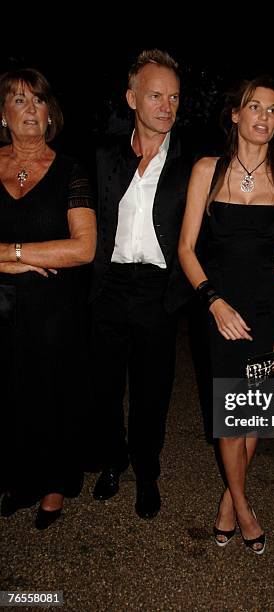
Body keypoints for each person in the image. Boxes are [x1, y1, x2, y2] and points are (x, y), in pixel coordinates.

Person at [90, 50, 274, 520]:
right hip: (107, 287)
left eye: (175, 97)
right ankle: (112, 462)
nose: (166, 106)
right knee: (103, 389)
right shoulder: (102, 155)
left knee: (153, 392)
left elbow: (233, 224)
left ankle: (147, 473)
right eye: (155, 95)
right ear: (132, 98)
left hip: (163, 291)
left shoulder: (195, 165)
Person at [178, 76, 274, 554]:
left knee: (255, 413)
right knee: (230, 418)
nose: (263, 117)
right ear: (235, 114)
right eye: (254, 107)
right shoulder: (206, 171)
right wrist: (212, 301)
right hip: (221, 312)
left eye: (273, 110)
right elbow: (186, 249)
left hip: (271, 311)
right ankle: (244, 506)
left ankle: (227, 505)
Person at [0, 68, 96, 529]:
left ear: (50, 112)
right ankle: (19, 478)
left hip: (54, 311)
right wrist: (9, 264)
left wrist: (11, 252)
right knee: (10, 395)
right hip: (2, 308)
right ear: (3, 114)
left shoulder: (71, 169)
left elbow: (83, 247)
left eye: (37, 101)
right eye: (18, 101)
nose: (30, 110)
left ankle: (54, 484)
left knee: (51, 395)